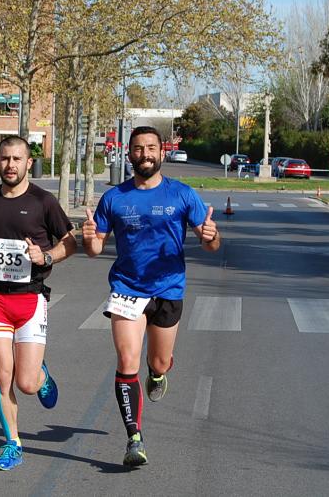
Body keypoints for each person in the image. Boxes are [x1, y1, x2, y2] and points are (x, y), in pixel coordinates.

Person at [81, 125, 220, 468]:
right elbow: (96, 248)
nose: (144, 154)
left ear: (162, 152)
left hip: (169, 289)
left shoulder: (182, 195)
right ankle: (134, 438)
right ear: (128, 154)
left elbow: (212, 245)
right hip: (127, 289)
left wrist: (210, 236)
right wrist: (89, 237)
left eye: (151, 148)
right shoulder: (115, 198)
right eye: (138, 149)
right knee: (127, 361)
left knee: (156, 362)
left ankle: (158, 373)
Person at [0, 135, 76, 471]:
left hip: (30, 300)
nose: (10, 165)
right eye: (5, 159)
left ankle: (41, 376)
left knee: (25, 382)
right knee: (1, 376)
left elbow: (70, 243)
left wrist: (46, 255)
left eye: (17, 159)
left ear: (28, 163)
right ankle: (13, 443)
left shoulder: (43, 202)